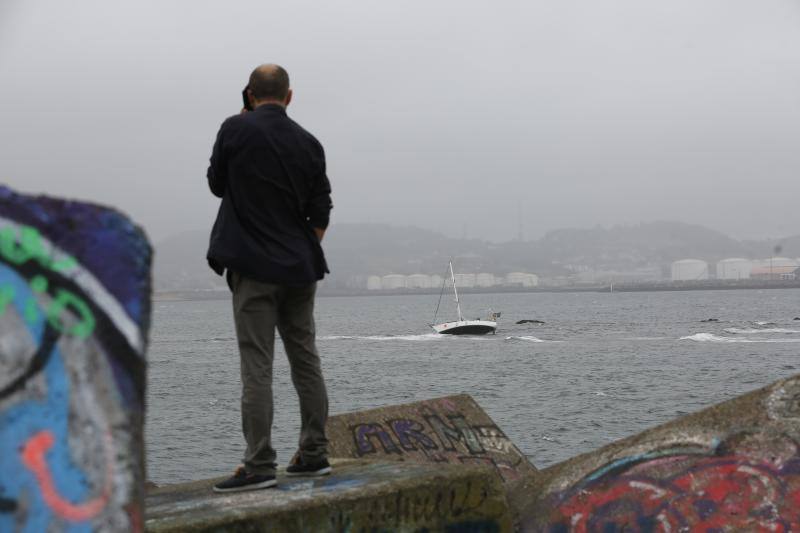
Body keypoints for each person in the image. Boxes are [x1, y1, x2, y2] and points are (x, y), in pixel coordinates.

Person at [205, 64, 333, 493]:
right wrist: (297, 248)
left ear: (250, 94)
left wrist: (241, 120)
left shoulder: (234, 130)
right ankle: (314, 455)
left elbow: (216, 184)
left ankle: (259, 464)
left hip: (253, 269)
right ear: (289, 96)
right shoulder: (309, 143)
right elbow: (321, 211)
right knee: (306, 360)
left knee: (257, 366)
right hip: (300, 268)